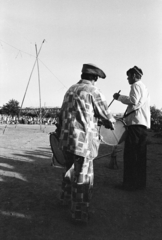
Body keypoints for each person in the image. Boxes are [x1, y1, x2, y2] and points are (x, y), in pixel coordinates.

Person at [57, 63, 115, 223]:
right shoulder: (94, 91)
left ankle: (64, 200)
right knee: (83, 177)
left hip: (66, 139)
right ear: (95, 78)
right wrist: (110, 121)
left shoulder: (70, 89)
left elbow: (61, 114)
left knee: (68, 171)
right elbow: (107, 116)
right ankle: (79, 214)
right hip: (83, 142)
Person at [113, 66, 151, 191]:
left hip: (135, 125)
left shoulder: (135, 86)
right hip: (142, 126)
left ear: (134, 75)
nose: (128, 78)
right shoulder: (144, 87)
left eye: (128, 76)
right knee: (140, 156)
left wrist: (119, 97)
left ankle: (128, 184)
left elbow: (134, 101)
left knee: (130, 155)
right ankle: (139, 184)